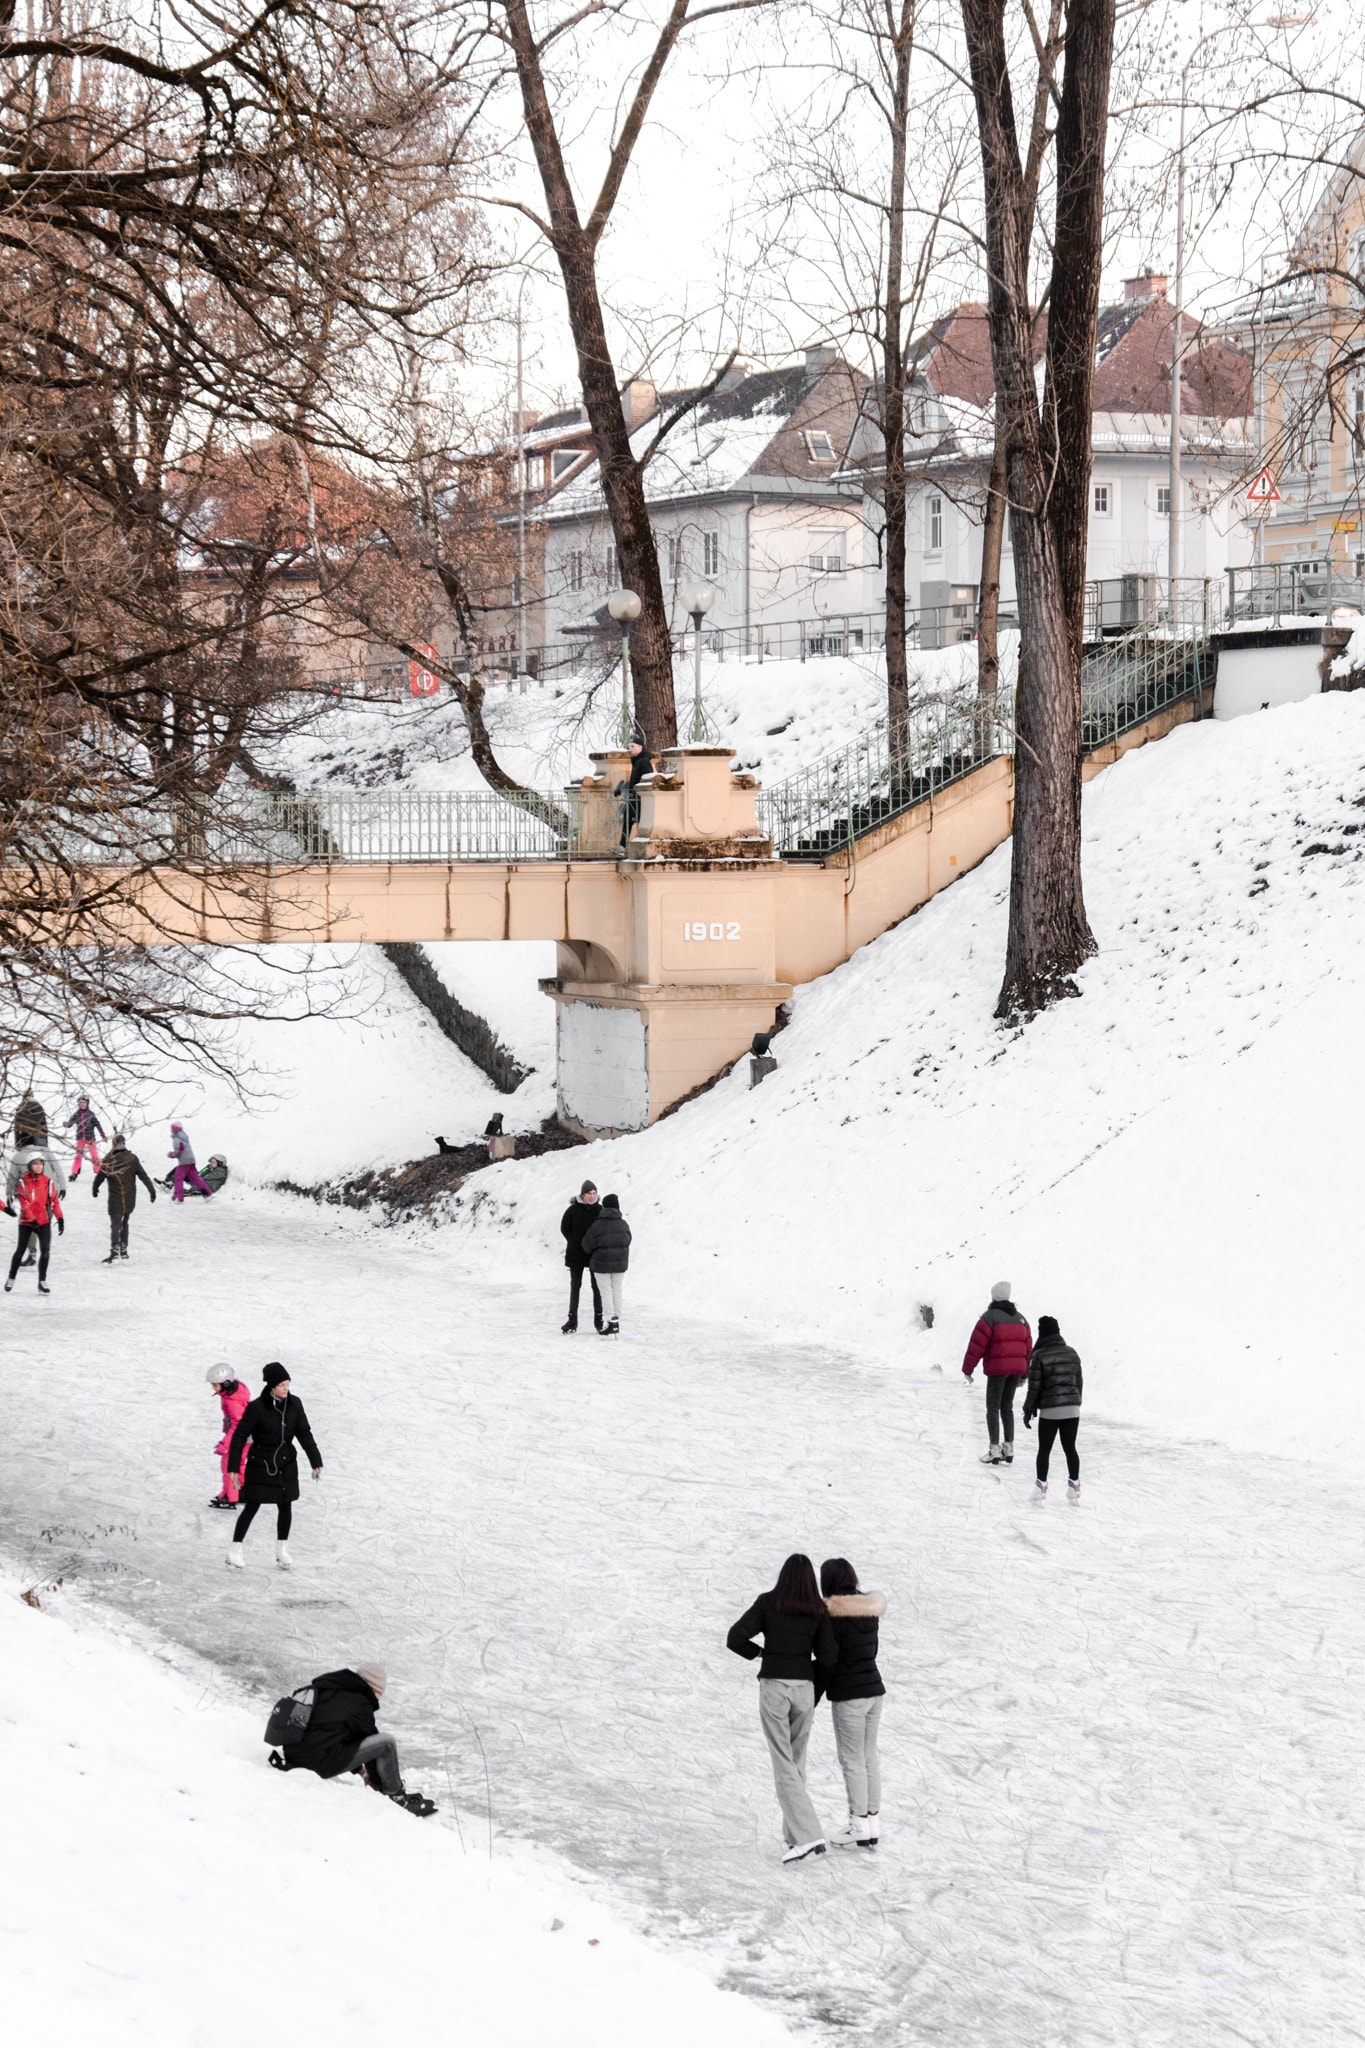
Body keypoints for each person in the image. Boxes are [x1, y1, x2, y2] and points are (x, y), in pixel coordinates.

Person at [727, 1553, 837, 1864]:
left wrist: (762, 1653)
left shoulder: (767, 1602)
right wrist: (813, 1691)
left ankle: (808, 1835)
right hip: (803, 1688)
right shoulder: (817, 1609)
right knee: (796, 1760)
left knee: (783, 1762)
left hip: (774, 1688)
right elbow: (828, 1657)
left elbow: (735, 1638)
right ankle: (795, 1836)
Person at [272, 1665, 435, 1816]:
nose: (378, 1699)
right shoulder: (358, 1701)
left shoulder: (327, 1689)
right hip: (316, 1763)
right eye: (379, 1693)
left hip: (294, 1757)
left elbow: (334, 1735)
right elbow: (372, 1742)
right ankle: (398, 1797)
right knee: (386, 1743)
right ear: (372, 1687)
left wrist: (360, 1771)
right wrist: (377, 1784)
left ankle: (391, 1792)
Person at [225, 1363, 323, 1570]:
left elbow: (304, 1433)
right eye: (281, 1385)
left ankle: (282, 1549)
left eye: (287, 1384)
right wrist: (234, 1466)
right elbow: (240, 1436)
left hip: (285, 1463)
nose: (285, 1389)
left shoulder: (295, 1404)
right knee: (252, 1505)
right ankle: (235, 1550)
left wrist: (316, 1461)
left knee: (285, 1504)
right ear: (271, 1386)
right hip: (261, 1464)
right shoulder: (256, 1408)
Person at [820, 1558, 886, 1850]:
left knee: (852, 1759)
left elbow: (829, 1656)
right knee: (869, 1755)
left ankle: (858, 1823)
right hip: (874, 1690)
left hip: (849, 1694)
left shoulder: (831, 1614)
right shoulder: (870, 1611)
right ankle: (872, 1822)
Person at [962, 1280, 1032, 1466]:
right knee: (1007, 1407)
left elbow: (976, 1346)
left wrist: (968, 1369)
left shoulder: (989, 1318)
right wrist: (1024, 1374)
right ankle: (1008, 1448)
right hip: (1015, 1370)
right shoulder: (1021, 1319)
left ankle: (994, 1450)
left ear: (994, 1297)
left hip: (997, 1370)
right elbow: (1027, 1349)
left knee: (993, 1408)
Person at [1022, 1314, 1084, 1504]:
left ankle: (1040, 1487)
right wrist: (1075, 1402)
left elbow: (1035, 1387)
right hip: (1072, 1410)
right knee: (1070, 1448)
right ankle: (1074, 1487)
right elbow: (1078, 1382)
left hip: (1051, 1411)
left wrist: (1028, 1409)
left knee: (1044, 1450)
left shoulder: (1039, 1355)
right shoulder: (1072, 1353)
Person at [3, 1151, 64, 1295]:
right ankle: (11, 1277)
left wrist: (60, 1218)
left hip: (43, 1222)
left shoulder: (48, 1182)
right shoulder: (23, 1182)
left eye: (41, 1164)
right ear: (30, 1166)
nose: (39, 1166)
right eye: (35, 1164)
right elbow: (24, 1204)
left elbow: (54, 1201)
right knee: (20, 1251)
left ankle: (42, 1282)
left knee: (46, 1251)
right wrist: (32, 1220)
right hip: (26, 1222)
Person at [92, 1133, 156, 1262]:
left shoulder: (109, 1160)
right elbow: (143, 1176)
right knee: (124, 1223)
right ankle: (124, 1250)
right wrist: (151, 1190)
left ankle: (115, 1251)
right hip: (129, 1197)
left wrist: (95, 1188)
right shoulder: (132, 1158)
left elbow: (100, 1176)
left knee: (115, 1224)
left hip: (116, 1197)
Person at [5, 1133, 66, 1264]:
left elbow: (12, 1178)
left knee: (30, 1224)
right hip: (49, 1192)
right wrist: (63, 1186)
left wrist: (9, 1194)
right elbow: (58, 1169)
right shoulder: (45, 1151)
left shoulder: (18, 1156)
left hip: (31, 1197)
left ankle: (32, 1253)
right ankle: (45, 1250)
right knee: (45, 1223)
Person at [582, 1192, 630, 1337]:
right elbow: (628, 1240)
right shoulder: (623, 1224)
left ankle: (610, 1322)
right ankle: (617, 1320)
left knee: (606, 1292)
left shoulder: (598, 1224)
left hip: (601, 1265)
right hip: (620, 1264)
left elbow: (586, 1244)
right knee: (617, 1290)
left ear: (604, 1206)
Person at [559, 1179, 602, 1333]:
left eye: (594, 1193)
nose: (592, 1196)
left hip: (594, 1255)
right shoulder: (572, 1211)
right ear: (582, 1195)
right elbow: (564, 1228)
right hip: (576, 1254)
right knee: (575, 1286)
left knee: (597, 1287)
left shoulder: (600, 1211)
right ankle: (572, 1319)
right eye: (588, 1193)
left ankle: (599, 1318)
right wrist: (574, 1241)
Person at [207, 1364, 252, 1509]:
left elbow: (237, 1424)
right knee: (237, 1464)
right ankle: (241, 1492)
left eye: (215, 1385)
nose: (213, 1388)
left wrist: (225, 1443)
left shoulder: (231, 1400)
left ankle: (231, 1496)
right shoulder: (234, 1393)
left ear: (225, 1383)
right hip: (248, 1436)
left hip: (242, 1437)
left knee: (229, 1464)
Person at [617, 737, 652, 848]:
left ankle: (635, 845)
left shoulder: (644, 761)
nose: (630, 749)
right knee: (628, 820)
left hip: (640, 798)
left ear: (640, 747)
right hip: (634, 797)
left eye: (633, 746)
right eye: (630, 746)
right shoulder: (637, 761)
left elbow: (648, 779)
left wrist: (639, 793)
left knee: (637, 821)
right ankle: (623, 845)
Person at [168, 1122, 214, 1202]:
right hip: (191, 1160)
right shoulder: (184, 1136)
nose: (171, 1130)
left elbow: (179, 1150)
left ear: (174, 1129)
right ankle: (209, 1194)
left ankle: (179, 1199)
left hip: (184, 1162)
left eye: (172, 1128)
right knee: (196, 1178)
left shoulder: (176, 1139)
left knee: (178, 1179)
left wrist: (171, 1154)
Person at [64, 1096, 106, 1179]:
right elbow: (70, 1124)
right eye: (81, 1103)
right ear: (78, 1104)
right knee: (78, 1156)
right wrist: (66, 1124)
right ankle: (75, 1173)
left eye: (84, 1103)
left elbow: (97, 1124)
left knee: (94, 1156)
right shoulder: (76, 1114)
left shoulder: (90, 1114)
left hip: (90, 1139)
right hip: (80, 1139)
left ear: (87, 1104)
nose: (82, 1104)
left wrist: (102, 1135)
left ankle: (98, 1173)